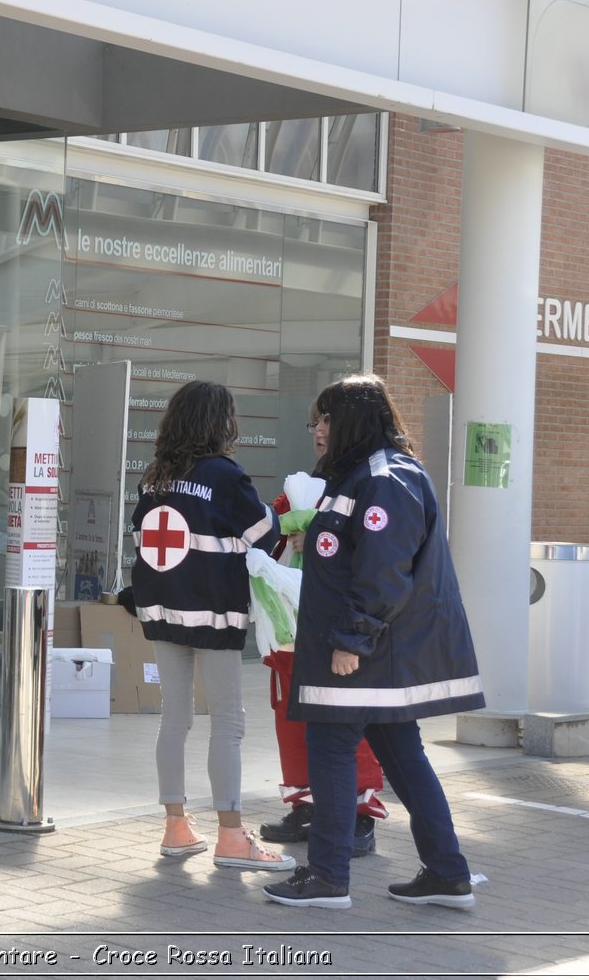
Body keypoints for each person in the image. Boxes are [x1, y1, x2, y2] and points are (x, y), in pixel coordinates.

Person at [264, 373, 484, 910]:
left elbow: (385, 571)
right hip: (373, 652)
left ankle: (327, 877)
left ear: (352, 421)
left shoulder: (384, 477)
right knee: (403, 756)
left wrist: (352, 640)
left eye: (325, 418)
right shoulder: (362, 475)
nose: (316, 429)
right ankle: (447, 873)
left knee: (333, 749)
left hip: (365, 651)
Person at [128, 380, 291, 872]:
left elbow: (142, 534)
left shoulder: (154, 476)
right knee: (228, 721)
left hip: (160, 610)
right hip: (213, 612)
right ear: (221, 422)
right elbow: (266, 533)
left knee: (173, 717)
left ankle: (176, 828)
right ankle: (231, 837)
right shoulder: (224, 475)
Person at [258, 408, 389, 856]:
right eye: (313, 422)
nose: (319, 431)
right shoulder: (303, 484)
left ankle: (358, 816)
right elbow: (269, 534)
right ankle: (306, 806)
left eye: (329, 421)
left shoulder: (374, 482)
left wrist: (315, 534)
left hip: (341, 630)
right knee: (291, 718)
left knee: (349, 722)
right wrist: (285, 530)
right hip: (292, 623)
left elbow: (378, 557)